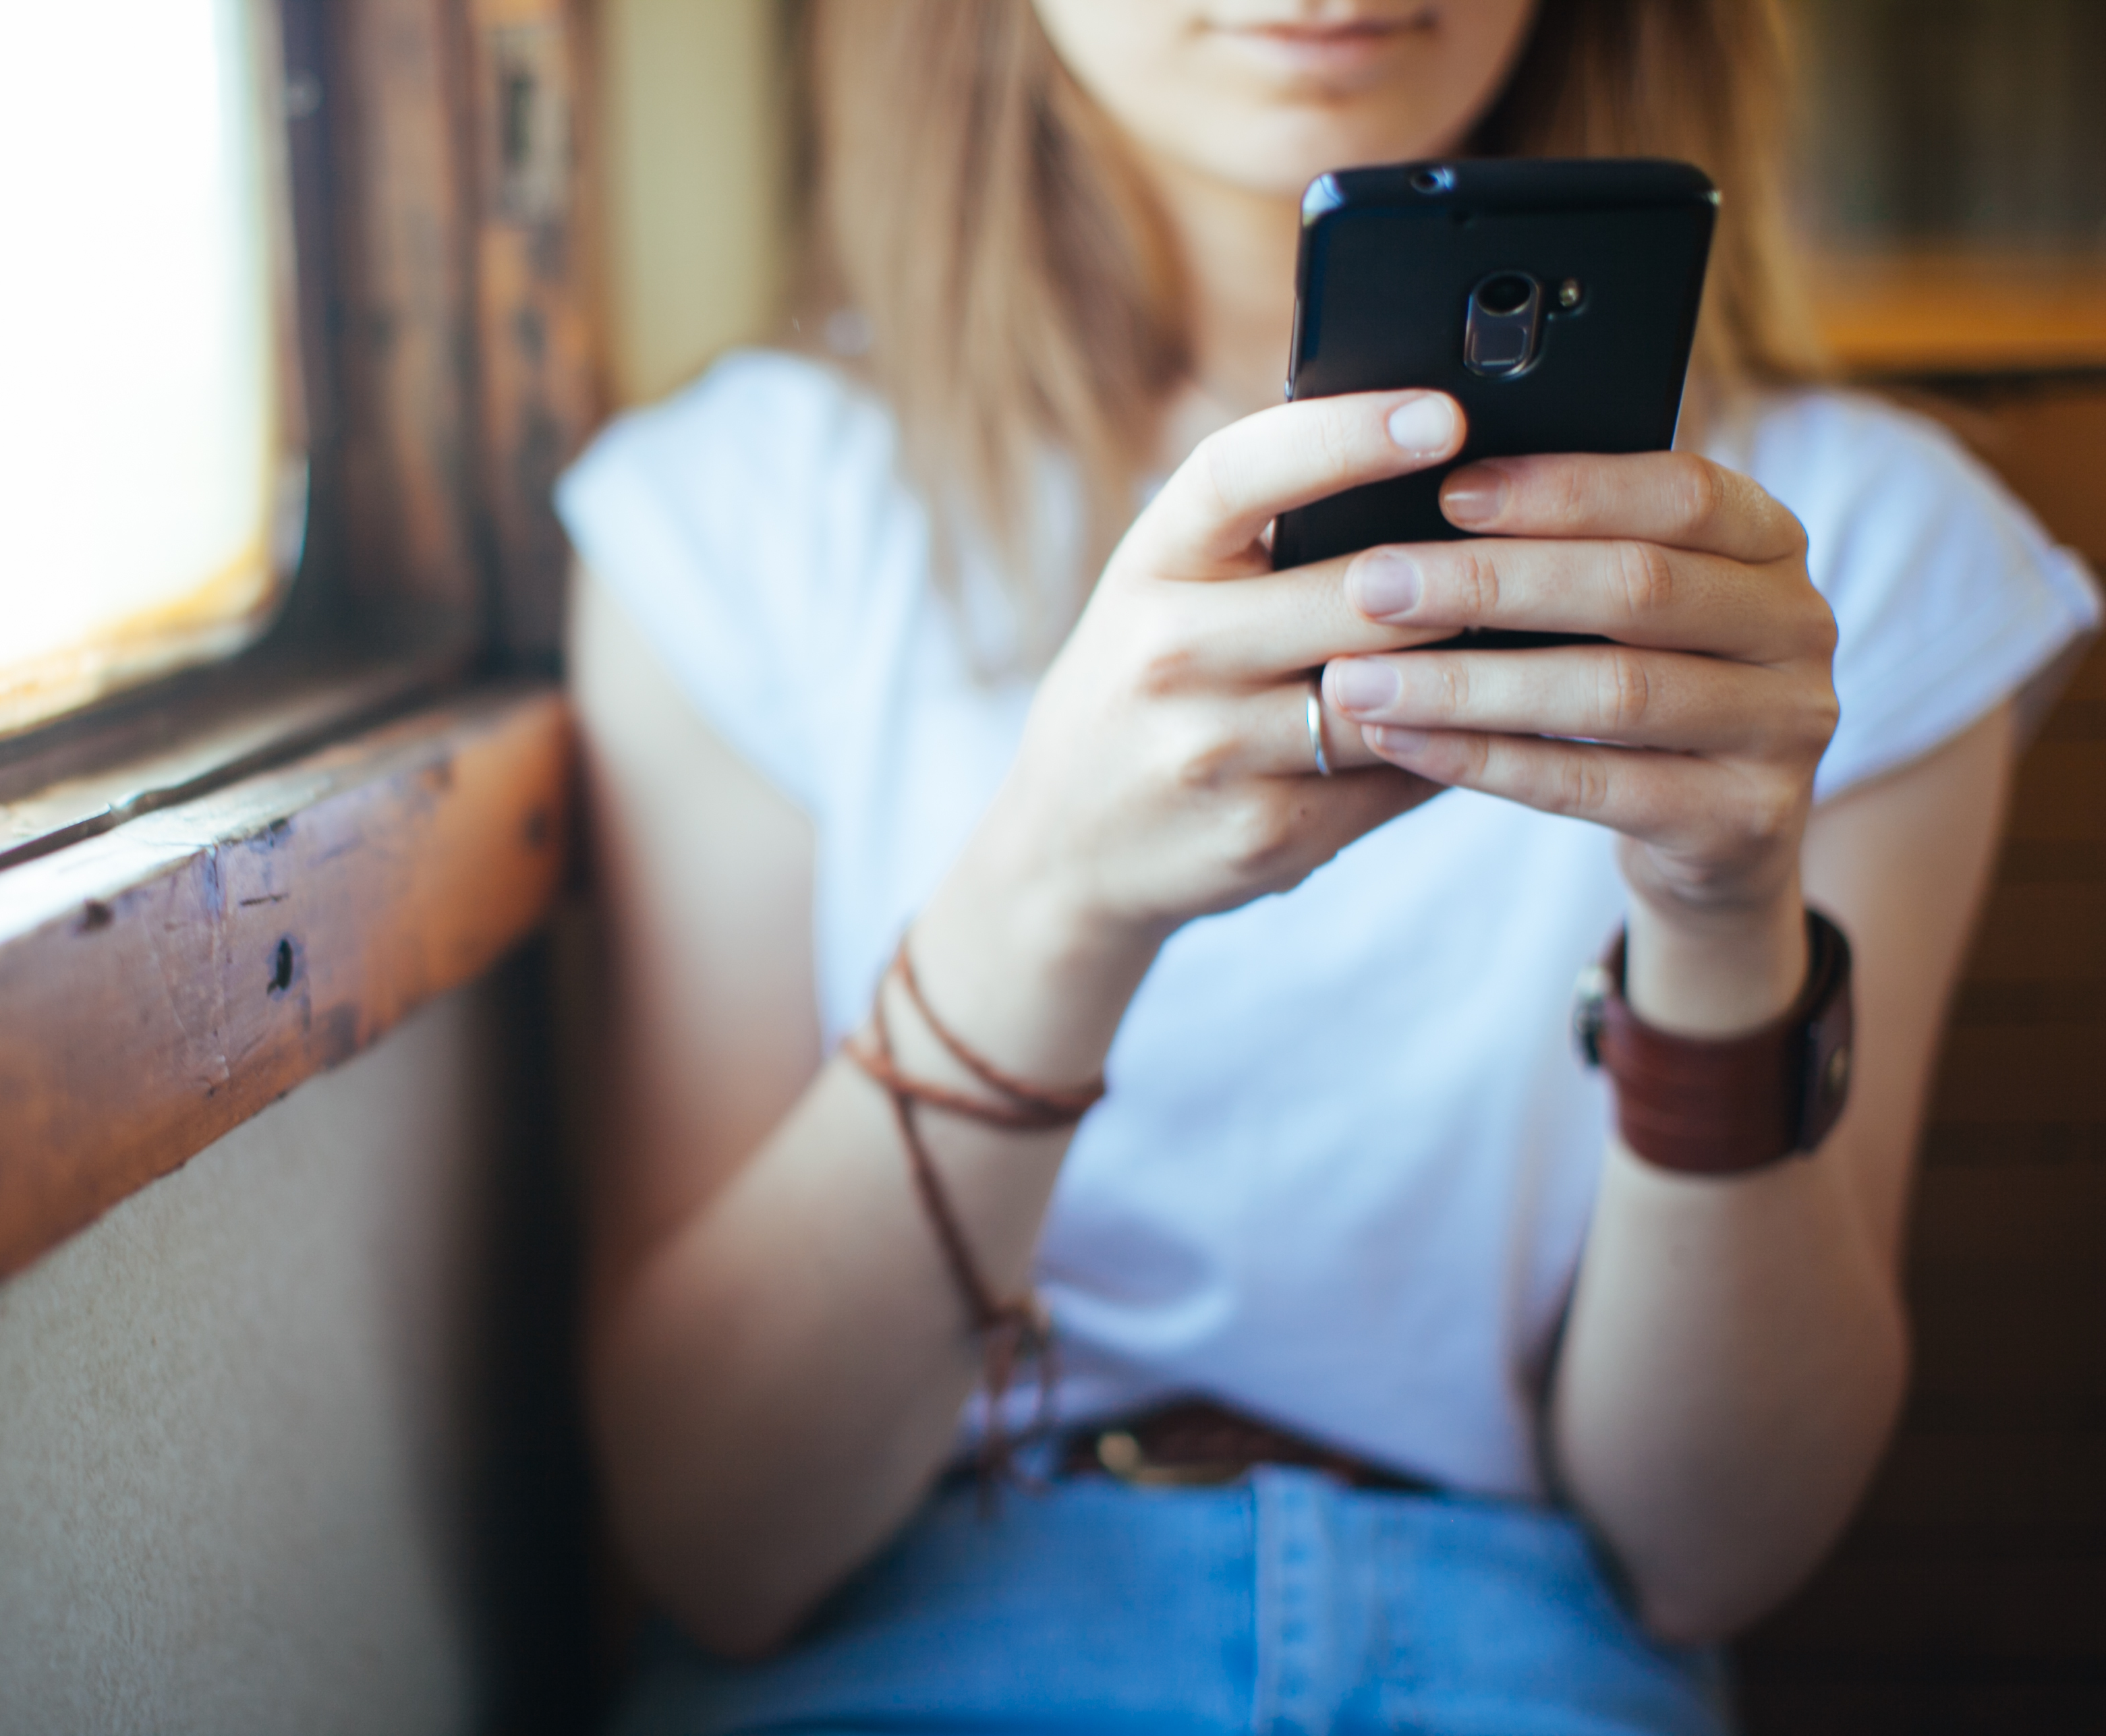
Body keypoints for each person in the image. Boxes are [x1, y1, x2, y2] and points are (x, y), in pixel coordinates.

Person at [557, 2, 2102, 1731]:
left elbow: (1706, 1551)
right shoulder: (739, 523)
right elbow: (718, 1536)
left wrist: (1721, 922)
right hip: (915, 1621)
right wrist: (1052, 897)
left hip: (1522, 1650)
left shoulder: (1841, 563)